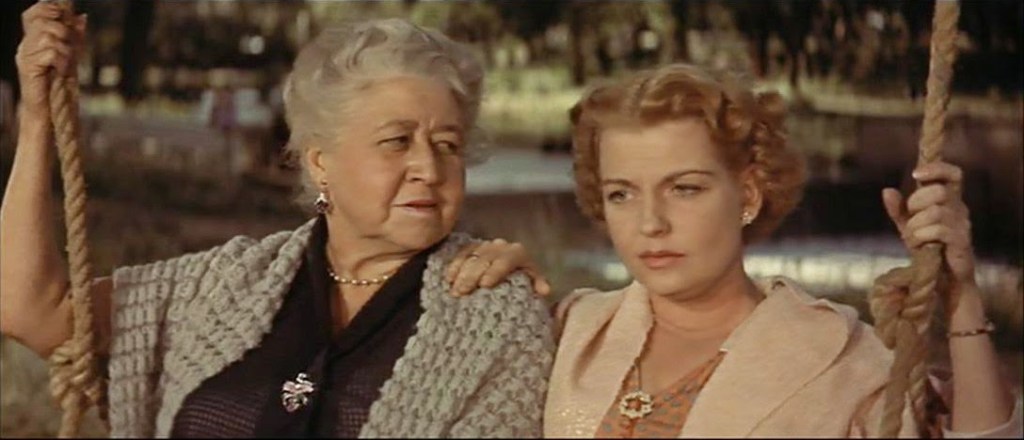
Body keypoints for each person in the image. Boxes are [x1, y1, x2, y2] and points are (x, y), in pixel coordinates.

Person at [1, 4, 553, 438]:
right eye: (397, 141)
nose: (429, 169)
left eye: (448, 145)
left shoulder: (494, 314)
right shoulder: (224, 287)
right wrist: (37, 119)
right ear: (320, 161)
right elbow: (29, 308)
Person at [464, 63, 1022, 437]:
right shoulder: (570, 329)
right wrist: (481, 277)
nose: (651, 223)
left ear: (748, 195)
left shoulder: (840, 360)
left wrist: (962, 298)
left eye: (685, 189)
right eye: (621, 194)